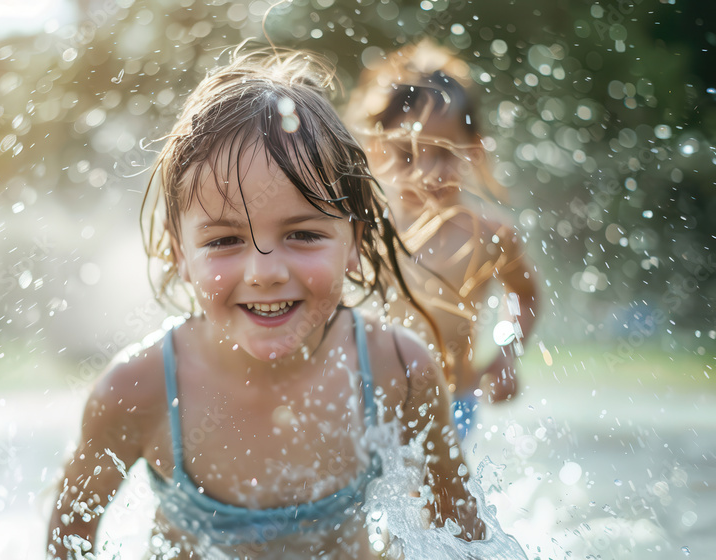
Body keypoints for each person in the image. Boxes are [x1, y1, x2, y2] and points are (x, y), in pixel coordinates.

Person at [47, 46, 484, 559]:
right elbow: (68, 541)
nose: (266, 272)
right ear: (178, 253)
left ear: (356, 242)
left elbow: (463, 535)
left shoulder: (398, 371)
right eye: (224, 241)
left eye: (302, 234)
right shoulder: (138, 391)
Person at [344, 40, 540, 439]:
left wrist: (506, 353)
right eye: (408, 156)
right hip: (367, 403)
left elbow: (525, 295)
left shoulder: (489, 234)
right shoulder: (364, 226)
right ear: (377, 151)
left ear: (474, 150)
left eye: (445, 155)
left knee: (438, 500)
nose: (428, 173)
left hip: (453, 404)